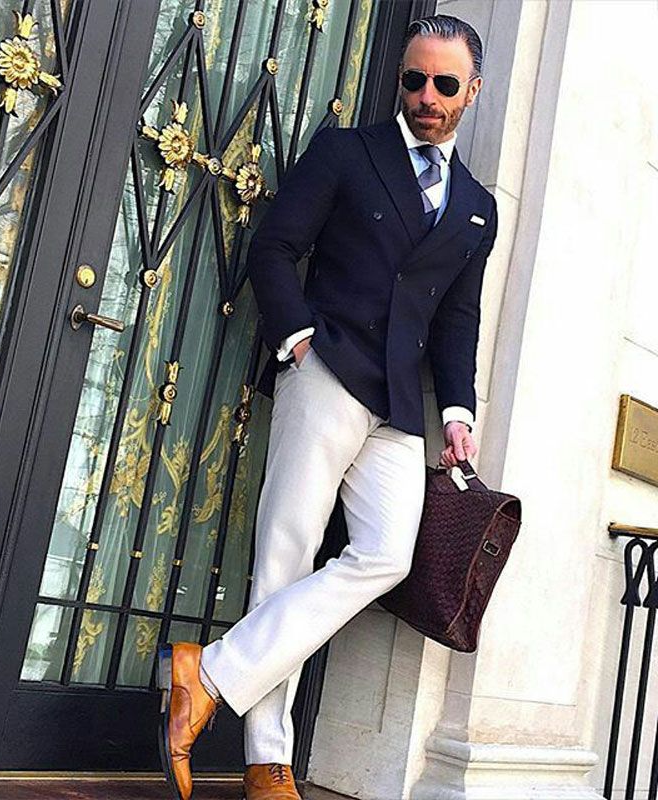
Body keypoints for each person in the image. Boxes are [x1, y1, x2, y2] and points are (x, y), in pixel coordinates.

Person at [156, 14, 499, 800]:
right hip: (329, 370)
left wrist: (458, 411)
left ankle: (208, 670)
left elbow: (458, 319)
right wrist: (300, 340)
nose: (425, 96)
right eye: (412, 78)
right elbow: (274, 246)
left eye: (444, 84)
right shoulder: (349, 152)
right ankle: (267, 761)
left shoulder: (477, 205)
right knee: (288, 551)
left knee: (386, 554)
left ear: (472, 92)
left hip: (398, 408)